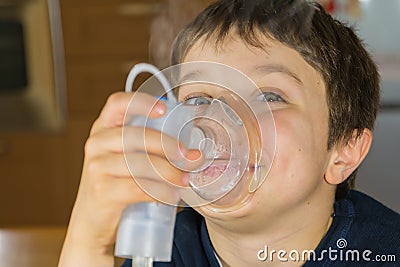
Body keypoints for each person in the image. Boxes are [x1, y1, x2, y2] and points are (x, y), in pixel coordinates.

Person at [58, 0, 400, 266]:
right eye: (198, 99)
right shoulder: (166, 251)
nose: (218, 118)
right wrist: (89, 241)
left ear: (344, 151)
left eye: (268, 97)